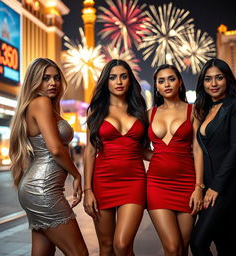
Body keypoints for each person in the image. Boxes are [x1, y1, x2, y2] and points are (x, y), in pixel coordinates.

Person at [9, 58, 88, 256]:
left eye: (56, 78)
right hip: (43, 190)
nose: (53, 83)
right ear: (35, 81)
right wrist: (77, 175)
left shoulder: (42, 106)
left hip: (39, 189)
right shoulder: (41, 102)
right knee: (79, 253)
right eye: (46, 78)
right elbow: (55, 148)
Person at [83, 59, 149, 256]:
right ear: (106, 82)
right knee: (106, 247)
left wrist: (170, 158)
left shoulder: (140, 112)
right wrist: (88, 190)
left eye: (123, 76)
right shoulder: (96, 112)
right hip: (103, 182)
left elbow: (143, 150)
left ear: (130, 80)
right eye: (113, 77)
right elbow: (89, 152)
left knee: (122, 244)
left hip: (134, 182)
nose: (118, 81)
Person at [190, 58, 236, 256]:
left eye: (219, 78)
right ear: (202, 83)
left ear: (227, 79)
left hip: (226, 184)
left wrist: (216, 187)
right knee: (224, 242)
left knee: (198, 242)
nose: (213, 84)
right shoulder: (204, 110)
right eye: (208, 79)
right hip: (209, 183)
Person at [147, 64, 204, 256]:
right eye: (161, 81)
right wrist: (159, 156)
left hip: (187, 185)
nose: (166, 84)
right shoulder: (150, 114)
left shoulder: (193, 110)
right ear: (156, 87)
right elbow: (136, 147)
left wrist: (198, 187)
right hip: (156, 185)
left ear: (179, 82)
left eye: (171, 79)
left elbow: (198, 150)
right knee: (172, 247)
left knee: (183, 247)